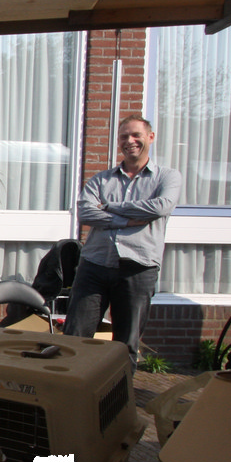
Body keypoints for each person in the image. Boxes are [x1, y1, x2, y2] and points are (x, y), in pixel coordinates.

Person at [63, 114, 182, 360]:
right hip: (94, 265)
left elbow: (160, 207)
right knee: (75, 337)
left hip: (138, 267)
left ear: (150, 137)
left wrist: (109, 207)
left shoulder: (167, 177)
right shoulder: (101, 179)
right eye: (124, 136)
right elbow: (85, 212)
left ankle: (120, 385)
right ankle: (71, 382)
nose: (130, 141)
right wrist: (126, 220)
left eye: (136, 135)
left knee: (125, 344)